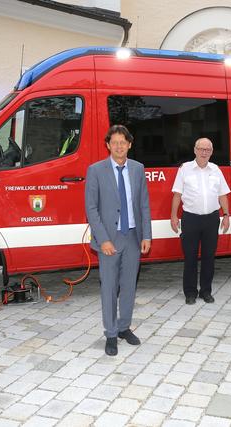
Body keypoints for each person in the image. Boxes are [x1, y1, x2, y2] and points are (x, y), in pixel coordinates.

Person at [85, 125, 152, 356]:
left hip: (133, 237)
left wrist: (147, 236)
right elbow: (91, 208)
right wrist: (103, 239)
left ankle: (124, 327)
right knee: (109, 288)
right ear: (108, 145)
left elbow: (144, 204)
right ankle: (111, 334)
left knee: (129, 287)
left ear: (130, 145)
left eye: (123, 142)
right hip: (109, 241)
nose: (119, 146)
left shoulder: (137, 169)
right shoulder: (96, 170)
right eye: (114, 142)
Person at [170, 138, 230, 305]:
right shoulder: (185, 169)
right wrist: (173, 216)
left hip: (211, 218)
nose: (204, 152)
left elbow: (223, 194)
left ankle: (206, 291)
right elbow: (177, 195)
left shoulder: (216, 170)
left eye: (207, 149)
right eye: (201, 149)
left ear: (211, 152)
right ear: (195, 150)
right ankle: (190, 292)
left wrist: (226, 215)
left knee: (209, 257)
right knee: (190, 257)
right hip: (190, 218)